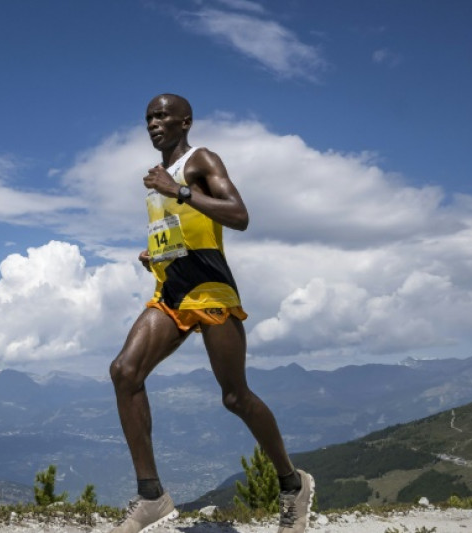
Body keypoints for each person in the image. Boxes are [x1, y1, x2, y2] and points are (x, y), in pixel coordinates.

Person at [108, 94, 314, 533]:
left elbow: (239, 216)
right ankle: (151, 496)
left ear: (185, 122)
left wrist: (177, 190)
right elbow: (184, 232)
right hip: (171, 291)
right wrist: (159, 255)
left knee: (235, 396)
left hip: (211, 291)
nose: (153, 123)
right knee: (125, 372)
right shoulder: (158, 177)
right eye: (148, 117)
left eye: (162, 115)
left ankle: (293, 484)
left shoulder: (200, 161)